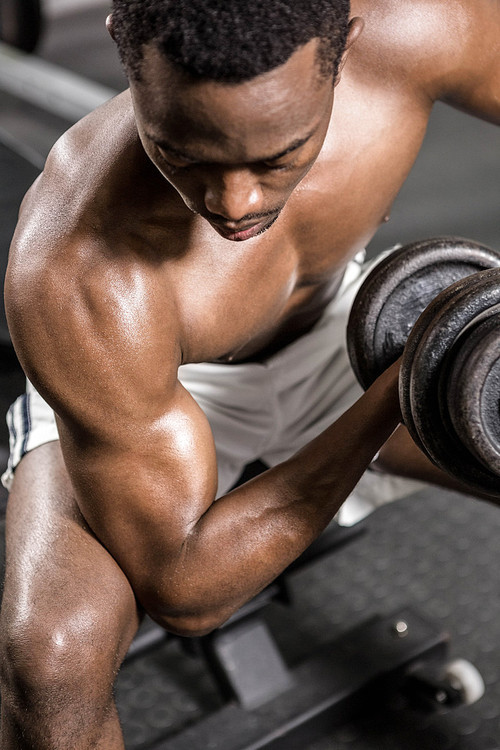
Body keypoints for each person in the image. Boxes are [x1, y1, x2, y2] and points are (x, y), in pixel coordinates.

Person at [0, 0, 499, 746]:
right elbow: (187, 589)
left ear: (345, 47)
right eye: (186, 154)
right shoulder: (74, 272)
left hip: (340, 327)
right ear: (124, 52)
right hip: (148, 375)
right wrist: (405, 384)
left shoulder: (423, 30)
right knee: (51, 656)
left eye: (278, 157)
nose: (235, 204)